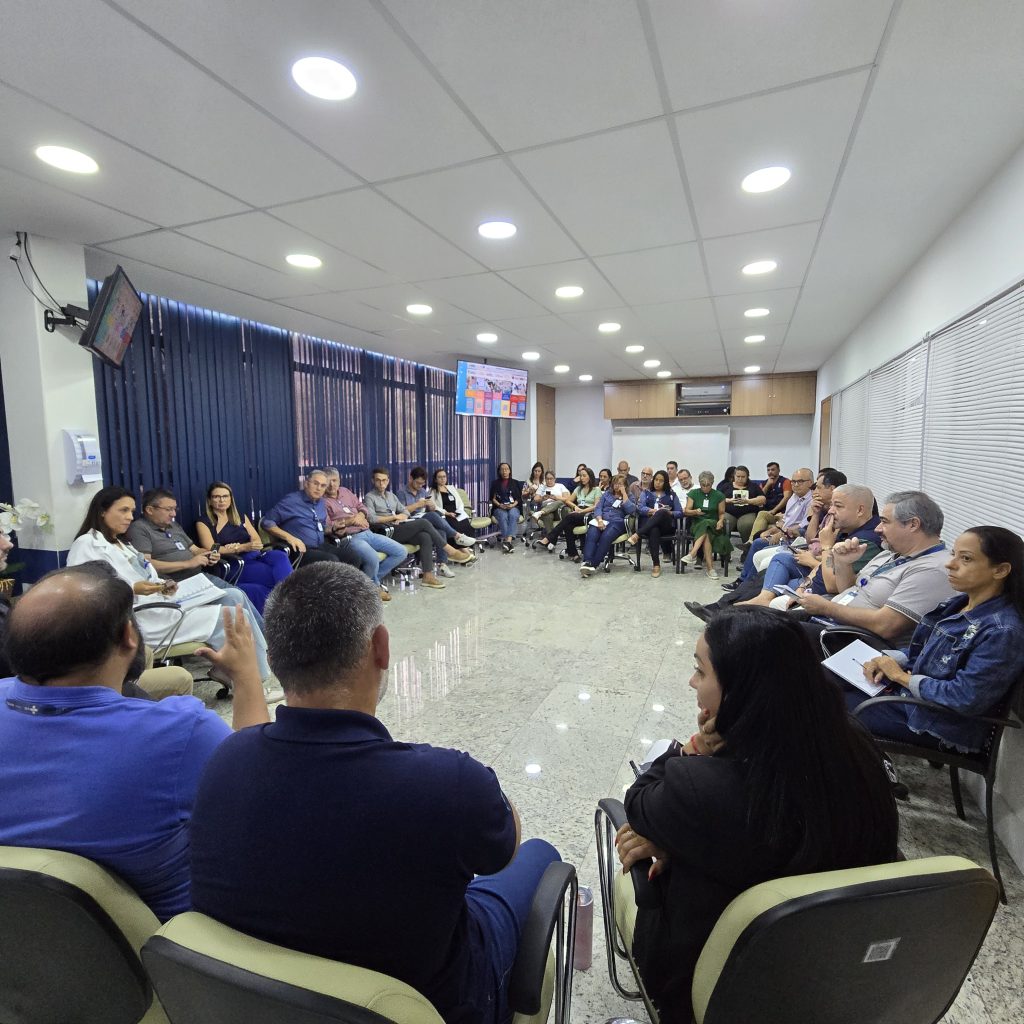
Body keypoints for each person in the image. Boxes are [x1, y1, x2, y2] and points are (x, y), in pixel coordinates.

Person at [189, 563, 561, 1024]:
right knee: (539, 855)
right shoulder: (447, 784)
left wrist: (247, 678)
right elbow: (505, 848)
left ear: (278, 658)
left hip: (260, 1005)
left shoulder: (224, 762)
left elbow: (252, 739)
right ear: (380, 647)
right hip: (437, 1004)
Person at [616, 607, 898, 1024]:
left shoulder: (701, 787)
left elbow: (638, 802)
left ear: (740, 688)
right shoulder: (855, 742)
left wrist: (693, 749)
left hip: (717, 975)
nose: (692, 682)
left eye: (700, 671)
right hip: (833, 969)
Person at [0, 563, 269, 921]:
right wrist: (247, 675)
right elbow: (263, 787)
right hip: (164, 942)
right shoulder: (180, 734)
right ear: (129, 635)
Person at [68, 487, 282, 701]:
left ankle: (237, 666)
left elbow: (146, 573)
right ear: (102, 511)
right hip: (144, 617)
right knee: (231, 617)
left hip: (163, 601)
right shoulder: (88, 544)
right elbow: (87, 594)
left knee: (233, 597)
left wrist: (162, 585)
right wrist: (134, 589)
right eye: (123, 510)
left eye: (131, 511)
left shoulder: (121, 544)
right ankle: (253, 686)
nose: (130, 517)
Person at [847, 526, 1024, 754]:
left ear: (1000, 570)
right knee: (824, 682)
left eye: (966, 559)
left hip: (933, 724)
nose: (950, 564)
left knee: (824, 704)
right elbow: (926, 651)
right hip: (910, 701)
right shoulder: (959, 604)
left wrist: (900, 676)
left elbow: (965, 697)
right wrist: (886, 660)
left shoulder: (1003, 631)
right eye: (953, 554)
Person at [790, 491, 954, 646]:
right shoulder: (891, 553)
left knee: (778, 634)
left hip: (855, 641)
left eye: (885, 522)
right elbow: (849, 589)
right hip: (833, 621)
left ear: (913, 524)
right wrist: (844, 563)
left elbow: (886, 626)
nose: (877, 528)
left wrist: (827, 608)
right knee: (775, 619)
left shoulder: (932, 570)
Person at [741, 483, 881, 608]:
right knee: (779, 565)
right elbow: (822, 564)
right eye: (831, 505)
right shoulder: (848, 528)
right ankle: (759, 597)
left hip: (821, 598)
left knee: (773, 587)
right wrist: (804, 586)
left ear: (860, 510)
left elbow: (832, 586)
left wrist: (826, 546)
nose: (831, 511)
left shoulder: (864, 541)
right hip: (812, 584)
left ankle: (760, 601)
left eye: (838, 506)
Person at [195, 481, 293, 613]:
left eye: (225, 496)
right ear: (210, 500)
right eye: (216, 497)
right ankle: (288, 606)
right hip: (234, 563)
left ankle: (292, 597)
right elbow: (211, 549)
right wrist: (239, 548)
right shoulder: (204, 522)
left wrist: (246, 546)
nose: (221, 500)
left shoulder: (240, 517)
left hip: (254, 556)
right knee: (271, 578)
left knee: (279, 555)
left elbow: (257, 540)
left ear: (231, 499)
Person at [365, 467, 471, 587]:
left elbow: (404, 511)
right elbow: (372, 519)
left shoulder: (391, 496)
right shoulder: (370, 497)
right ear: (373, 481)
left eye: (384, 480)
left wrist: (403, 516)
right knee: (423, 523)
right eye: (378, 480)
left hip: (399, 528)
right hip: (384, 531)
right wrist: (394, 517)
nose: (381, 483)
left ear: (388, 481)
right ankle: (450, 550)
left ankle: (427, 576)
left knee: (425, 536)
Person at [320, 468, 409, 597]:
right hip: (350, 537)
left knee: (401, 551)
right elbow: (328, 526)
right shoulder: (322, 501)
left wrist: (360, 515)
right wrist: (350, 521)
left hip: (368, 532)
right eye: (328, 482)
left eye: (334, 480)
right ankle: (373, 586)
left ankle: (367, 583)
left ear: (339, 480)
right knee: (373, 558)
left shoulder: (345, 491)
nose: (331, 485)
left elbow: (362, 507)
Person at [727, 468, 816, 589]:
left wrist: (781, 533)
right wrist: (771, 530)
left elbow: (803, 526)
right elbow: (785, 520)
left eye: (800, 481)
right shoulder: (794, 497)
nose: (795, 485)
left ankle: (745, 583)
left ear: (810, 482)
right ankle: (744, 581)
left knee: (758, 543)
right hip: (784, 532)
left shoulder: (812, 501)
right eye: (793, 481)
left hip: (795, 540)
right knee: (759, 539)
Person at [261, 471, 364, 568]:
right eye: (315, 483)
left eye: (323, 486)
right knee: (331, 561)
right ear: (306, 484)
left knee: (353, 557)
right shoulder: (291, 501)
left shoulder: (321, 503)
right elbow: (266, 522)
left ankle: (345, 582)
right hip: (300, 550)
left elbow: (321, 528)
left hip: (320, 546)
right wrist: (290, 538)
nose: (318, 488)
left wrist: (333, 529)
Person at [398, 467, 477, 553]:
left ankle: (443, 560)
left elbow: (429, 509)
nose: (420, 486)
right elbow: (401, 511)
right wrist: (417, 505)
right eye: (418, 483)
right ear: (410, 478)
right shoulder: (401, 493)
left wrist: (431, 506)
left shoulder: (423, 491)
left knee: (441, 531)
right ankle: (457, 536)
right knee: (435, 516)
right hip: (410, 521)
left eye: (422, 483)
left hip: (424, 518)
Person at [532, 466, 601, 562]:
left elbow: (596, 506)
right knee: (568, 525)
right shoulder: (578, 489)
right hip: (578, 512)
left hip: (589, 514)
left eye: (584, 476)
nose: (582, 478)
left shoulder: (596, 489)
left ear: (590, 477)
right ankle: (574, 554)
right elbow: (568, 500)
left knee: (568, 517)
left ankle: (550, 537)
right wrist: (575, 507)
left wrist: (582, 511)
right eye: (581, 476)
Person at [626, 470, 681, 578]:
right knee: (654, 529)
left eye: (661, 481)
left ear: (665, 482)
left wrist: (669, 512)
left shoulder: (671, 495)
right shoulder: (646, 493)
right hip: (649, 526)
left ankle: (637, 534)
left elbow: (680, 512)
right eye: (656, 480)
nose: (658, 483)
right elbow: (640, 508)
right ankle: (656, 565)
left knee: (662, 512)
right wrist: (652, 511)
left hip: (666, 527)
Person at [580, 475, 636, 576]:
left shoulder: (629, 496)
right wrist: (599, 520)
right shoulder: (606, 494)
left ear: (625, 486)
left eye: (620, 484)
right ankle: (587, 561)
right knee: (592, 533)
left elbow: (631, 510)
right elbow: (598, 508)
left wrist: (624, 494)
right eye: (615, 483)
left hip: (618, 522)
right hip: (602, 520)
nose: (617, 486)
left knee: (606, 536)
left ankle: (593, 564)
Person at [680, 471, 729, 580]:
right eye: (703, 485)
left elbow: (721, 513)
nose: (705, 488)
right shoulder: (693, 493)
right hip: (697, 524)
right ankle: (710, 569)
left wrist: (721, 521)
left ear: (712, 483)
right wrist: (695, 512)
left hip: (714, 525)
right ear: (700, 483)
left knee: (707, 524)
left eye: (708, 485)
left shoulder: (719, 495)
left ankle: (692, 553)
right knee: (706, 532)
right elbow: (687, 511)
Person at [428, 468, 480, 547]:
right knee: (456, 527)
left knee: (467, 527)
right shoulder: (432, 491)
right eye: (440, 477)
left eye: (444, 476)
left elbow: (459, 502)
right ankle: (457, 549)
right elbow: (434, 507)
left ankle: (468, 548)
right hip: (445, 515)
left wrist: (460, 511)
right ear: (435, 479)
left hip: (456, 513)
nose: (442, 479)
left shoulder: (451, 488)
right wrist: (447, 513)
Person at [720, 465, 766, 544]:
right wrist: (729, 500)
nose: (740, 479)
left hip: (747, 513)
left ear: (747, 476)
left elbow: (763, 499)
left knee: (746, 525)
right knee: (724, 522)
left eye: (743, 477)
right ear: (734, 476)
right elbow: (717, 499)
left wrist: (748, 501)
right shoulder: (726, 486)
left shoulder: (753, 486)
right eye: (738, 476)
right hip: (729, 512)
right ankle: (724, 548)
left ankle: (747, 546)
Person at [489, 462, 524, 553]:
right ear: (499, 471)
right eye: (502, 469)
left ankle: (507, 541)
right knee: (503, 515)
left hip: (514, 506)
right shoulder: (495, 483)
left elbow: (519, 498)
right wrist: (500, 505)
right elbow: (492, 498)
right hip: (499, 507)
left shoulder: (516, 483)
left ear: (509, 471)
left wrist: (512, 505)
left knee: (512, 514)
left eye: (506, 469)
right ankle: (508, 541)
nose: (504, 471)